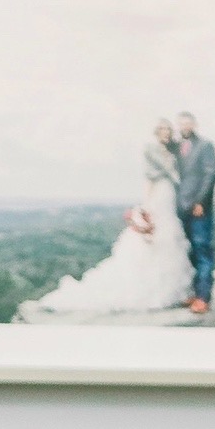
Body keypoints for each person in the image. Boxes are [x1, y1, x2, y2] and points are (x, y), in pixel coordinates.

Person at [24, 124, 192, 321]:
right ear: (157, 134)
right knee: (155, 235)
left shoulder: (172, 149)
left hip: (170, 195)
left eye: (168, 131)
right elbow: (151, 177)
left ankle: (172, 289)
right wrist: (146, 203)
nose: (166, 134)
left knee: (169, 234)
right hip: (159, 194)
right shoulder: (151, 150)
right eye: (162, 131)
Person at [170, 111, 215, 313]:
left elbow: (211, 174)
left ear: (194, 124)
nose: (184, 127)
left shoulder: (205, 146)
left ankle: (203, 297)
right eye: (181, 124)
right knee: (189, 251)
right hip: (181, 207)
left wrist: (201, 202)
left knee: (202, 250)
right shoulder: (179, 147)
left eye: (188, 123)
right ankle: (194, 293)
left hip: (200, 208)